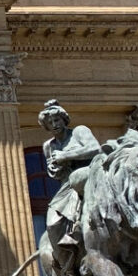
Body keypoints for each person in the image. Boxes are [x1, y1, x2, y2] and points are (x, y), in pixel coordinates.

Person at [39, 99, 101, 249]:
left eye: (57, 120)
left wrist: (67, 156)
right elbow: (54, 172)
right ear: (46, 126)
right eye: (50, 122)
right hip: (66, 185)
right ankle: (66, 265)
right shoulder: (49, 146)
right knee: (52, 223)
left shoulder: (79, 131)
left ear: (64, 120)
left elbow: (96, 149)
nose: (54, 124)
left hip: (89, 176)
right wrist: (54, 168)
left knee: (77, 179)